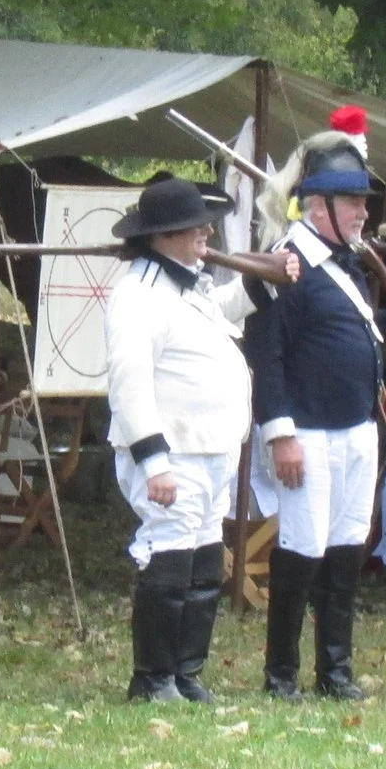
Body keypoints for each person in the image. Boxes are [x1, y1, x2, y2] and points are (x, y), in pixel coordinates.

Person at [248, 108, 386, 700]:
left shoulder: (347, 262)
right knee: (302, 551)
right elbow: (268, 355)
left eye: (362, 201)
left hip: (357, 427)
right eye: (352, 201)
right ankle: (282, 674)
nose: (363, 212)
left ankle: (335, 670)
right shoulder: (287, 263)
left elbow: (360, 331)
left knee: (348, 548)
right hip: (306, 429)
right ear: (318, 205)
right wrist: (281, 434)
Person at [104, 175, 294, 703]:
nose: (207, 233)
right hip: (173, 452)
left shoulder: (187, 285)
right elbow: (130, 384)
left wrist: (267, 280)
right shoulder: (138, 295)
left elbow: (222, 310)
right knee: (169, 558)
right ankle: (153, 678)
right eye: (196, 227)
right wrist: (154, 462)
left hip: (211, 448)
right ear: (165, 234)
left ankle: (186, 674)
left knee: (205, 561)